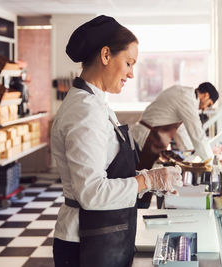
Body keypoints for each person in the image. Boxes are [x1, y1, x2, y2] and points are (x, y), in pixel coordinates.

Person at [51, 15, 183, 267]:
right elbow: (91, 192)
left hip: (103, 235)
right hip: (84, 243)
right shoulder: (84, 112)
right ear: (105, 55)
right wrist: (147, 180)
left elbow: (108, 170)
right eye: (129, 63)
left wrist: (150, 180)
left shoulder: (97, 103)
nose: (132, 74)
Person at [131, 83, 219, 208]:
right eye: (209, 104)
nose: (205, 109)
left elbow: (181, 131)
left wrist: (190, 154)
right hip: (145, 139)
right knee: (139, 186)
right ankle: (136, 214)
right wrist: (210, 162)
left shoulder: (183, 93)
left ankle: (138, 211)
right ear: (205, 95)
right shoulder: (186, 99)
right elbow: (197, 133)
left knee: (144, 184)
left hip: (148, 139)